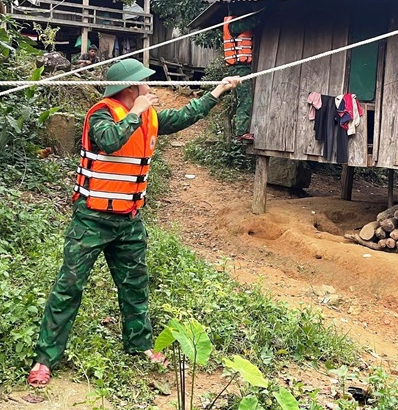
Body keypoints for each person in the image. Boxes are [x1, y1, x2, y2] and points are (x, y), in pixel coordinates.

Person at [27, 58, 240, 386]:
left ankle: (139, 345)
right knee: (69, 287)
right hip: (91, 219)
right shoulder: (101, 113)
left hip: (128, 220)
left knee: (135, 286)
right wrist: (137, 111)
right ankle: (45, 359)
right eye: (144, 82)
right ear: (130, 89)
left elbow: (185, 115)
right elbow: (110, 140)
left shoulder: (149, 117)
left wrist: (217, 91)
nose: (150, 87)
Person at [223, 14, 257, 142]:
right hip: (239, 68)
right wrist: (261, 13)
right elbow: (252, 23)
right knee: (245, 99)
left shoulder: (234, 24)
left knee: (243, 99)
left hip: (242, 68)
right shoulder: (234, 25)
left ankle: (240, 130)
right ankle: (241, 131)